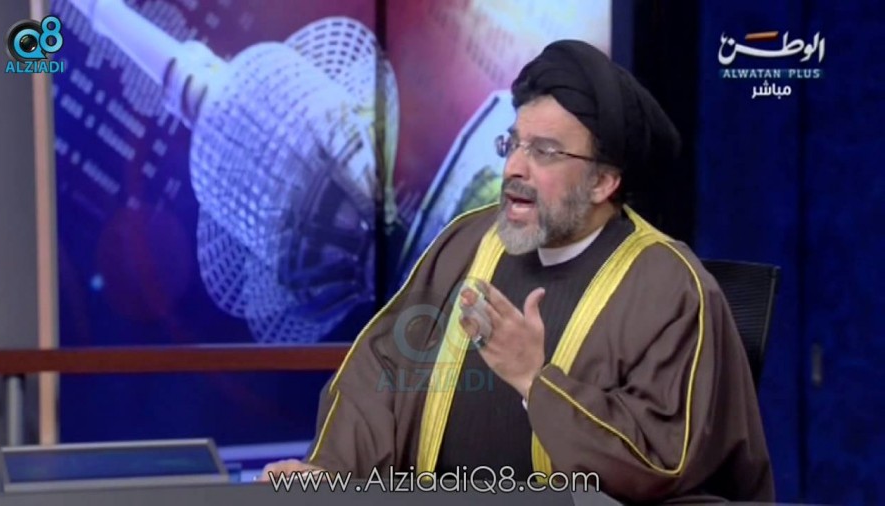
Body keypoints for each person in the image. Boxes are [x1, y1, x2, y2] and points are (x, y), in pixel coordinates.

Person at [261, 39, 774, 504]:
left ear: (603, 182)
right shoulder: (468, 243)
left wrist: (534, 380)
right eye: (513, 145)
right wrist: (330, 471)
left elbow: (661, 458)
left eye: (544, 152)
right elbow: (381, 371)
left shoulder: (669, 287)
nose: (514, 168)